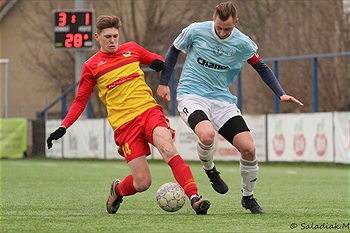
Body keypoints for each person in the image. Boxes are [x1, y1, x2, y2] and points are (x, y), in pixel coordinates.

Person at [46, 15, 210, 215]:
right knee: (143, 182)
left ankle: (194, 197)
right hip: (124, 125)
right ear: (97, 37)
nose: (113, 40)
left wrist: (163, 73)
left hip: (148, 111)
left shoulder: (132, 49)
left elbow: (160, 62)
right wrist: (64, 126)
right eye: (107, 37)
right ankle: (118, 190)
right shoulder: (91, 66)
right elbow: (80, 100)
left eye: (115, 36)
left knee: (167, 147)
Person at [157, 2, 303, 214]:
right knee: (207, 135)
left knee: (249, 148)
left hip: (222, 100)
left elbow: (261, 67)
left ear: (236, 22)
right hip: (192, 95)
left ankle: (248, 198)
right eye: (219, 27)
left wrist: (280, 92)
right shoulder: (196, 30)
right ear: (214, 19)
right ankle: (211, 170)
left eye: (228, 29)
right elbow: (173, 51)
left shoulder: (243, 43)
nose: (223, 32)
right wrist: (164, 82)